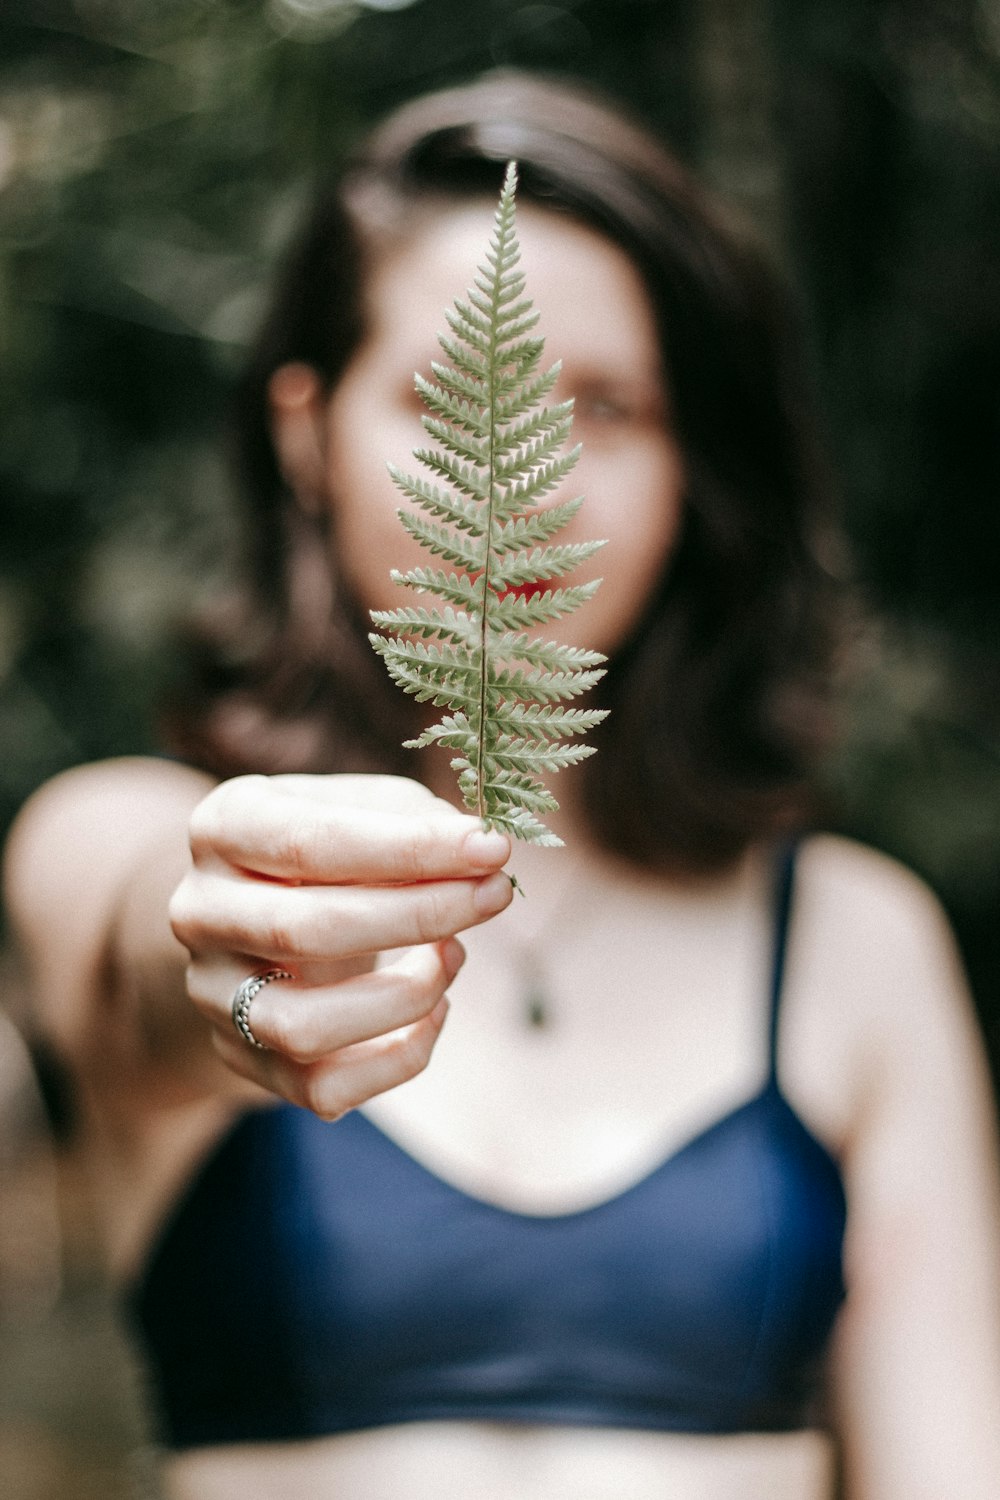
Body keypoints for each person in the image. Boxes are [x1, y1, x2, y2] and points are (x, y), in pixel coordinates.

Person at [3, 69, 1000, 1500]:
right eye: (445, 398)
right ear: (304, 433)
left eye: (606, 406)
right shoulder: (114, 834)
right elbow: (142, 948)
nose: (525, 490)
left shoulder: (857, 944)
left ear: (691, 467)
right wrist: (238, 961)